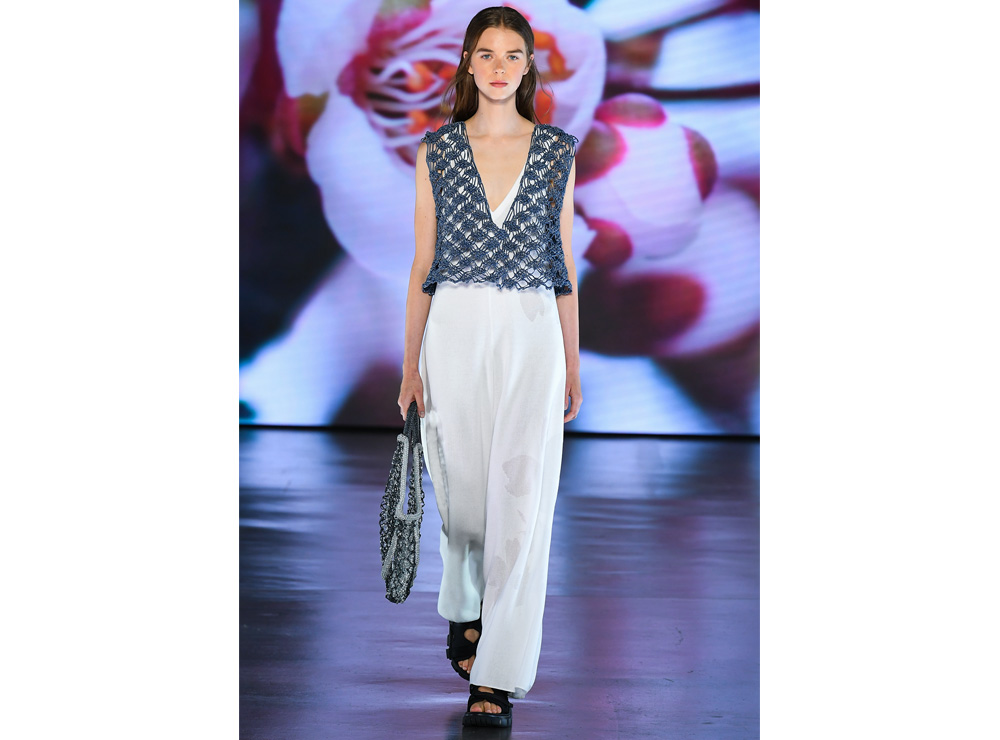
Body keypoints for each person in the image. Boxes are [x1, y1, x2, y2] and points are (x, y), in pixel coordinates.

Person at [396, 5, 581, 729]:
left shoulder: (557, 152)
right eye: (486, 54)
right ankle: (465, 603)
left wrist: (571, 361)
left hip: (533, 333)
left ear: (529, 66)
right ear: (468, 64)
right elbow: (422, 265)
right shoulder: (437, 152)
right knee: (464, 500)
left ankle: (496, 677)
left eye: (513, 55)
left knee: (521, 506)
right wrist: (409, 366)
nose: (500, 67)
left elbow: (563, 265)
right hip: (454, 330)